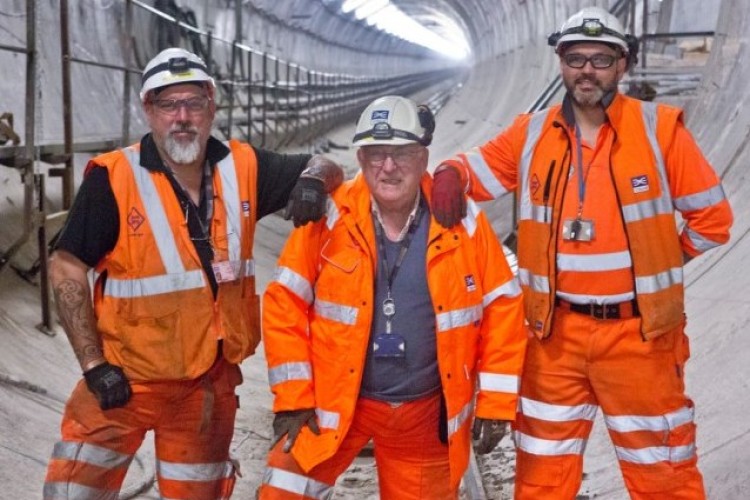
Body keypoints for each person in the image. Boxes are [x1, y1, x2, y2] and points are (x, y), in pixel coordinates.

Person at [430, 6, 734, 499]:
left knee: (665, 479)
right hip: (553, 342)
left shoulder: (659, 131)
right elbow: (474, 170)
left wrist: (660, 260)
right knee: (541, 482)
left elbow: (713, 220)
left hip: (640, 341)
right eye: (575, 58)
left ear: (622, 66)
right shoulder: (532, 135)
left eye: (600, 59)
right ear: (560, 64)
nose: (586, 70)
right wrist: (449, 174)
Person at [42, 47, 343, 499]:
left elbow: (328, 166)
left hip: (206, 389)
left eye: (194, 104)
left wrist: (314, 181)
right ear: (149, 110)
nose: (182, 117)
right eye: (168, 105)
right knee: (71, 494)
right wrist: (93, 364)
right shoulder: (115, 178)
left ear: (211, 108)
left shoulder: (244, 167)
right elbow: (67, 265)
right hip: (124, 383)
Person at [257, 95, 528, 499]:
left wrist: (496, 402)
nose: (388, 166)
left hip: (422, 416)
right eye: (377, 154)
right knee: (284, 490)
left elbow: (503, 306)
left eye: (401, 154)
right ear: (362, 158)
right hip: (334, 408)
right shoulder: (332, 217)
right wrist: (293, 399)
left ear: (423, 157)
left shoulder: (460, 220)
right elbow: (284, 303)